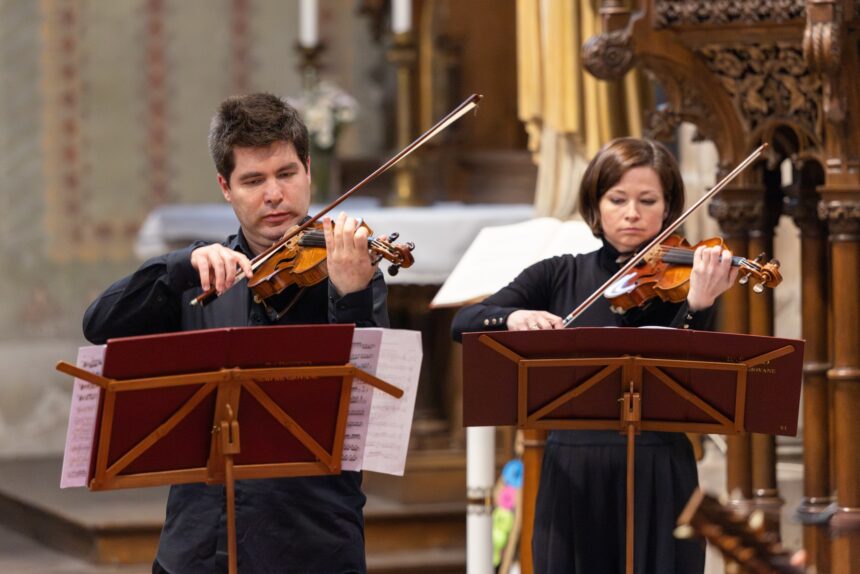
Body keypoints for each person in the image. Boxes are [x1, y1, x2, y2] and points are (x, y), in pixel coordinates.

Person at [83, 93, 388, 573]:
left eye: (286, 173)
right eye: (253, 180)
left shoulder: (350, 270)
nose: (274, 195)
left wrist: (350, 293)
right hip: (200, 544)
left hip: (312, 541)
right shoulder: (201, 276)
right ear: (226, 187)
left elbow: (374, 410)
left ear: (308, 170)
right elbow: (99, 325)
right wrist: (178, 266)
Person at [452, 137, 738, 574]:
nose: (632, 213)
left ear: (668, 209)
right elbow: (464, 323)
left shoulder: (690, 281)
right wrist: (513, 317)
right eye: (617, 199)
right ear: (595, 205)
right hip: (573, 472)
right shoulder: (558, 273)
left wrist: (697, 306)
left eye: (647, 200)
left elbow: (697, 380)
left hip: (659, 470)